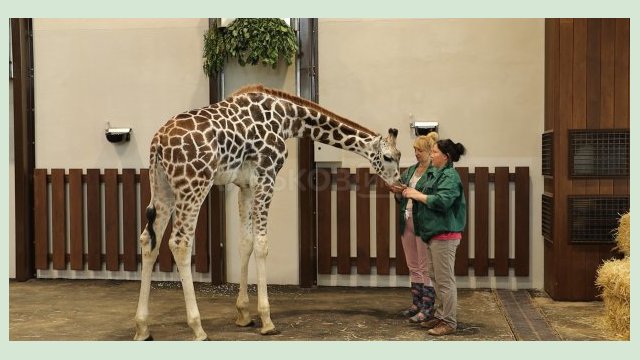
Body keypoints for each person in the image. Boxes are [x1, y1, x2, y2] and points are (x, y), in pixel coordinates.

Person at [400, 138, 467, 336]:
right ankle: (441, 314)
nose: (432, 155)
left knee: (445, 281)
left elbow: (443, 201)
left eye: (435, 152)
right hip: (433, 234)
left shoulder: (450, 176)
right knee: (437, 278)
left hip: (445, 235)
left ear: (446, 157)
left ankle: (449, 321)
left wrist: (416, 195)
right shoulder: (436, 174)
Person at [388, 132, 439, 324]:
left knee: (425, 267)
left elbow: (432, 198)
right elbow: (402, 195)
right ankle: (417, 304)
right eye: (415, 150)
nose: (416, 153)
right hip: (406, 220)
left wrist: (412, 193)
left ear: (429, 151)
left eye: (420, 150)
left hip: (423, 222)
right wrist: (398, 192)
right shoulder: (410, 171)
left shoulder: (434, 173)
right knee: (413, 265)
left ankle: (428, 307)